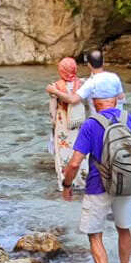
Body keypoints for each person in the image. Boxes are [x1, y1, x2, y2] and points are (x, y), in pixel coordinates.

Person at [60, 73, 131, 263]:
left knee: (94, 235)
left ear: (93, 100)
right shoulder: (130, 119)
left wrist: (67, 184)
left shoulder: (91, 125)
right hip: (126, 184)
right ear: (115, 98)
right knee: (124, 229)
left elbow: (74, 162)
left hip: (97, 186)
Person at [46, 57, 85, 192]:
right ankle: (82, 181)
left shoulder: (54, 86)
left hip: (63, 123)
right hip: (79, 122)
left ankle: (65, 182)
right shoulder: (82, 83)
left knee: (63, 153)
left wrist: (53, 123)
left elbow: (52, 110)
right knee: (81, 151)